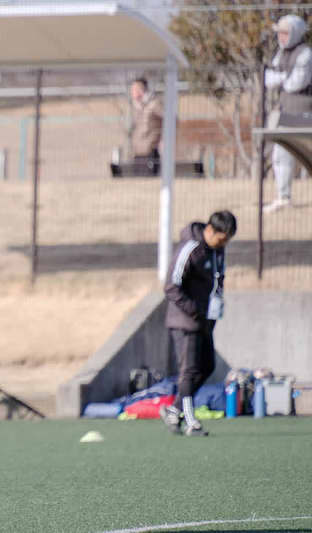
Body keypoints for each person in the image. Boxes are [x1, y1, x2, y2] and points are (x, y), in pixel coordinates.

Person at [160, 210, 237, 437]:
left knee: (207, 367)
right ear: (210, 230)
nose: (222, 244)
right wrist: (194, 310)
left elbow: (217, 280)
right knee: (189, 370)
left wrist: (214, 311)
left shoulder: (218, 250)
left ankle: (174, 409)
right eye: (221, 239)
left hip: (205, 319)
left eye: (227, 241)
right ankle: (191, 421)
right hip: (185, 320)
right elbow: (171, 286)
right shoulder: (191, 248)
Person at [264, 14, 312, 212]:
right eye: (280, 33)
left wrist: (280, 78)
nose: (281, 37)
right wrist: (284, 76)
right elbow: (268, 80)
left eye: (285, 33)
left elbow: (296, 84)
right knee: (281, 153)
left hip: (303, 112)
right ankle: (283, 197)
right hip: (285, 111)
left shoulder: (305, 54)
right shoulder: (280, 54)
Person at [130, 77, 163, 176]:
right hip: (138, 153)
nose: (132, 92)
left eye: (134, 89)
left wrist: (164, 139)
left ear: (141, 90)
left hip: (150, 152)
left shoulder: (154, 104)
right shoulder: (137, 107)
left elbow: (170, 120)